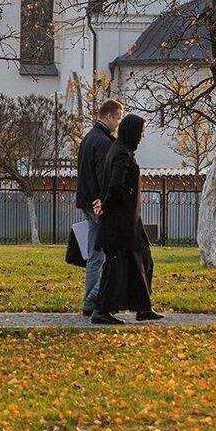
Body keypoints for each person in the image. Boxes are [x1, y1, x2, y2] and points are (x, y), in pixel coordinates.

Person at [90, 113, 161, 324]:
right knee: (116, 268)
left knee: (143, 260)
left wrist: (105, 203)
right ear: (133, 131)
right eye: (141, 132)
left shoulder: (121, 150)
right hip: (120, 222)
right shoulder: (122, 153)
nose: (142, 136)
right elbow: (115, 185)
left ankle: (143, 307)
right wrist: (107, 206)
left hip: (128, 221)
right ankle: (100, 310)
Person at [75, 99, 122, 316]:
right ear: (109, 116)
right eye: (118, 118)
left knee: (95, 256)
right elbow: (104, 175)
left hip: (85, 201)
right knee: (112, 255)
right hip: (97, 204)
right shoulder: (103, 141)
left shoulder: (87, 138)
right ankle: (95, 297)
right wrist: (103, 201)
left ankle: (88, 303)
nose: (119, 123)